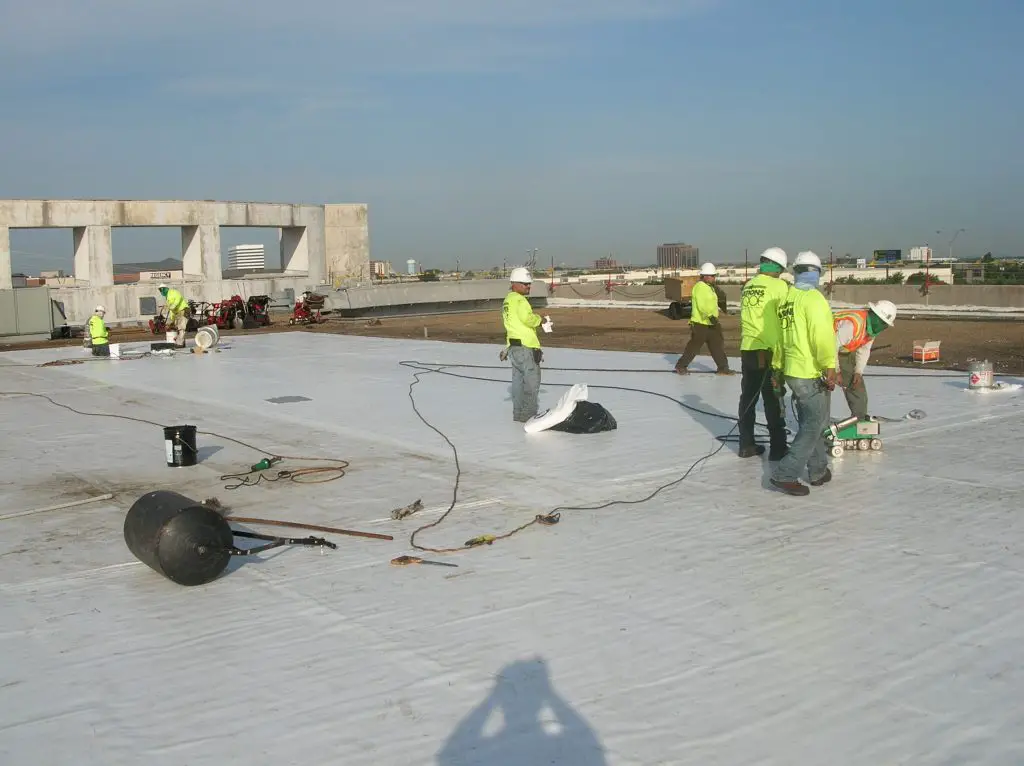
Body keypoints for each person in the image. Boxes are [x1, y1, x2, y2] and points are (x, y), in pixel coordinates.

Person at [769, 251, 836, 496]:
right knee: (814, 424)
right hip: (809, 371)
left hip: (791, 370)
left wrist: (777, 367)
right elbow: (822, 336)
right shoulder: (814, 300)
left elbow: (778, 338)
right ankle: (785, 474)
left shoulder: (787, 299)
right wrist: (829, 365)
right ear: (816, 272)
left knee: (813, 422)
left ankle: (818, 470)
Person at [737, 247, 790, 459]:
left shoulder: (749, 285)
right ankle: (778, 449)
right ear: (778, 267)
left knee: (748, 398)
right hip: (768, 352)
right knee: (773, 399)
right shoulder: (780, 286)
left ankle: (746, 444)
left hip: (748, 349)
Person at [834, 300, 897, 420]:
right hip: (823, 348)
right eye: (883, 323)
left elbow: (864, 350)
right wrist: (835, 371)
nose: (883, 327)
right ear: (874, 315)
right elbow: (830, 346)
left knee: (856, 384)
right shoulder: (851, 325)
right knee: (826, 383)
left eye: (886, 324)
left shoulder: (872, 329)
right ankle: (818, 424)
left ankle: (859, 419)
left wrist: (858, 372)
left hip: (842, 349)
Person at [501, 267, 547, 422]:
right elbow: (527, 319)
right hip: (526, 349)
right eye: (525, 284)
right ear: (514, 283)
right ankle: (528, 418)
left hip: (514, 349)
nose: (528, 286)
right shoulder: (520, 300)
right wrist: (541, 320)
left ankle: (518, 416)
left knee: (518, 385)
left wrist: (507, 348)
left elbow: (510, 326)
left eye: (529, 284)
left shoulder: (507, 301)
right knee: (531, 385)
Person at [674, 262, 734, 375]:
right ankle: (681, 366)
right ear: (705, 276)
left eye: (714, 276)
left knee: (717, 345)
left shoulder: (710, 288)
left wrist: (714, 318)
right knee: (694, 346)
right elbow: (702, 305)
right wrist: (710, 316)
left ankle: (723, 368)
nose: (714, 278)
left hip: (712, 323)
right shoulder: (700, 287)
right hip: (700, 323)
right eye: (712, 276)